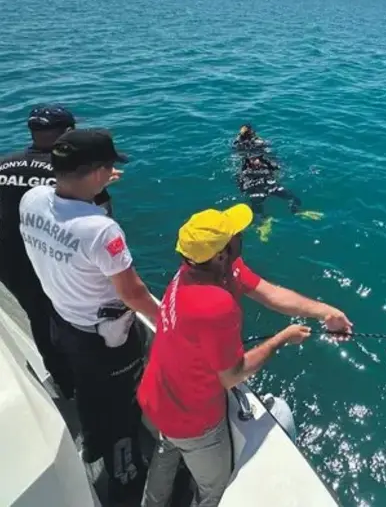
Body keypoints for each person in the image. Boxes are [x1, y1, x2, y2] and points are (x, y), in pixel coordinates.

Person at [138, 203, 353, 507]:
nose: (240, 233)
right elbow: (233, 375)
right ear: (220, 253)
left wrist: (326, 313)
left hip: (157, 395)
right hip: (192, 418)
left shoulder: (195, 268)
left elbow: (270, 293)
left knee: (166, 452)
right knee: (214, 488)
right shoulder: (214, 305)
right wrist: (280, 340)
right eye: (233, 234)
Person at [18, 128, 158, 504]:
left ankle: (92, 445)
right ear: (96, 170)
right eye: (108, 166)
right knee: (121, 408)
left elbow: (65, 214)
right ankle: (124, 479)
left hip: (62, 323)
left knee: (87, 392)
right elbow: (132, 292)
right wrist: (169, 322)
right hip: (105, 341)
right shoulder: (101, 230)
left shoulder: (32, 199)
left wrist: (93, 183)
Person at [0, 105, 118, 399]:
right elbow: (101, 222)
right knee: (75, 323)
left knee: (38, 320)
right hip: (52, 261)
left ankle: (65, 385)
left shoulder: (4, 164)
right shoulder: (71, 174)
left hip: (10, 263)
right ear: (68, 133)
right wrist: (99, 183)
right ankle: (94, 385)